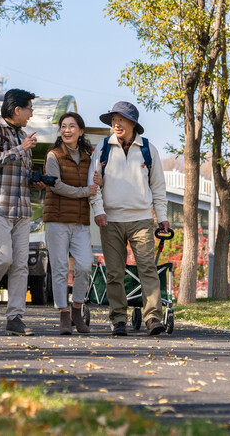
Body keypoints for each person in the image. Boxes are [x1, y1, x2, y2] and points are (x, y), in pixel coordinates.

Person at [88, 101, 171, 336]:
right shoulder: (103, 148)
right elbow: (92, 185)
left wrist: (162, 217)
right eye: (114, 119)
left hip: (142, 219)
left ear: (133, 123)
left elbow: (158, 187)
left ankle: (153, 317)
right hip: (111, 220)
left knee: (147, 269)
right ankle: (118, 319)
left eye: (121, 119)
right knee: (114, 272)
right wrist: (99, 211)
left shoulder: (147, 149)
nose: (116, 123)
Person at [0, 88, 40, 336]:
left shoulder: (24, 134)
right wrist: (21, 149)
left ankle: (15, 317)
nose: (31, 114)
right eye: (30, 109)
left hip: (23, 209)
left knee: (21, 265)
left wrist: (36, 180)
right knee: (3, 259)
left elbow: (22, 170)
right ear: (17, 110)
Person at [42, 111, 97, 335]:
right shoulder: (53, 156)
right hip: (56, 220)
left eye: (72, 126)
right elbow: (55, 185)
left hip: (80, 220)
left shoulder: (88, 156)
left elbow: (96, 180)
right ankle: (63, 314)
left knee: (84, 266)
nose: (67, 130)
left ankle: (77, 308)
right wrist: (84, 191)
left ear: (80, 131)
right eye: (63, 126)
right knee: (60, 268)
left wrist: (98, 181)